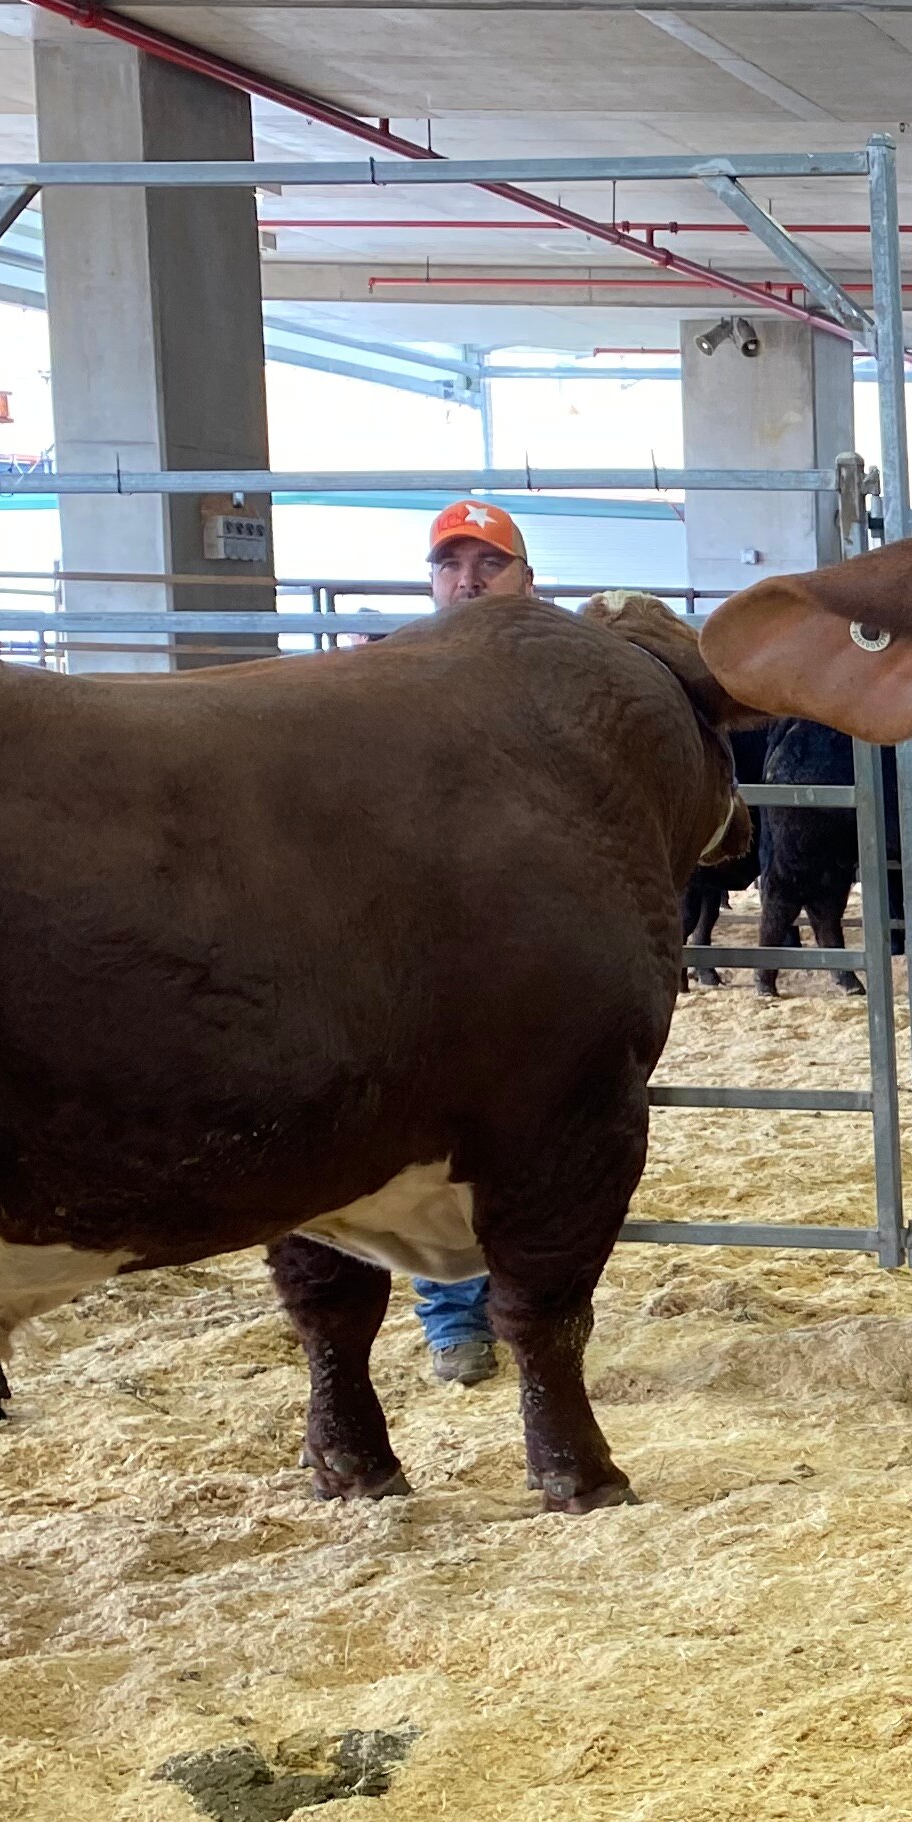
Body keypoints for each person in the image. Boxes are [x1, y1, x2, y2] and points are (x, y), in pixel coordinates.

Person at [407, 500, 542, 1384]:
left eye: (487, 564)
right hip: (434, 945)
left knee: (540, 1132)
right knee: (433, 1140)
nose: (468, 580)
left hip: (538, 942)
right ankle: (455, 1312)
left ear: (528, 580)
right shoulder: (395, 678)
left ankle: (531, 1303)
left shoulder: (558, 678)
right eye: (451, 564)